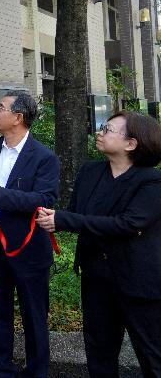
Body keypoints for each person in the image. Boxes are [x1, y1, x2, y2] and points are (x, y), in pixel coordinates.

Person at [37, 111, 161, 377]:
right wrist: (52, 218)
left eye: (108, 129)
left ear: (131, 143)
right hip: (96, 276)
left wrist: (67, 220)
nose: (100, 132)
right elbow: (75, 212)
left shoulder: (151, 181)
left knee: (152, 354)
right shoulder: (90, 172)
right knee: (99, 351)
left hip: (139, 280)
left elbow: (128, 224)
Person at [0, 90, 59, 378]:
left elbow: (44, 199)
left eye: (1, 107)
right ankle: (2, 367)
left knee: (34, 316)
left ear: (18, 117)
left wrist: (0, 195)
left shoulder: (44, 157)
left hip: (28, 248)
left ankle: (37, 371)